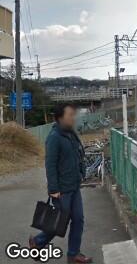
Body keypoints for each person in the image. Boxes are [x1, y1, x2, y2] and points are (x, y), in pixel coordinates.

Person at [29, 103, 92, 264]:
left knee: (78, 219)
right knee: (59, 223)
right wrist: (53, 189)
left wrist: (81, 172)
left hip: (74, 185)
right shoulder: (54, 137)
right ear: (60, 118)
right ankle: (38, 242)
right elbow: (50, 164)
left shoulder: (71, 134)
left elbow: (78, 155)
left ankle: (73, 254)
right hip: (62, 190)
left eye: (73, 114)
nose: (73, 118)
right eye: (69, 115)